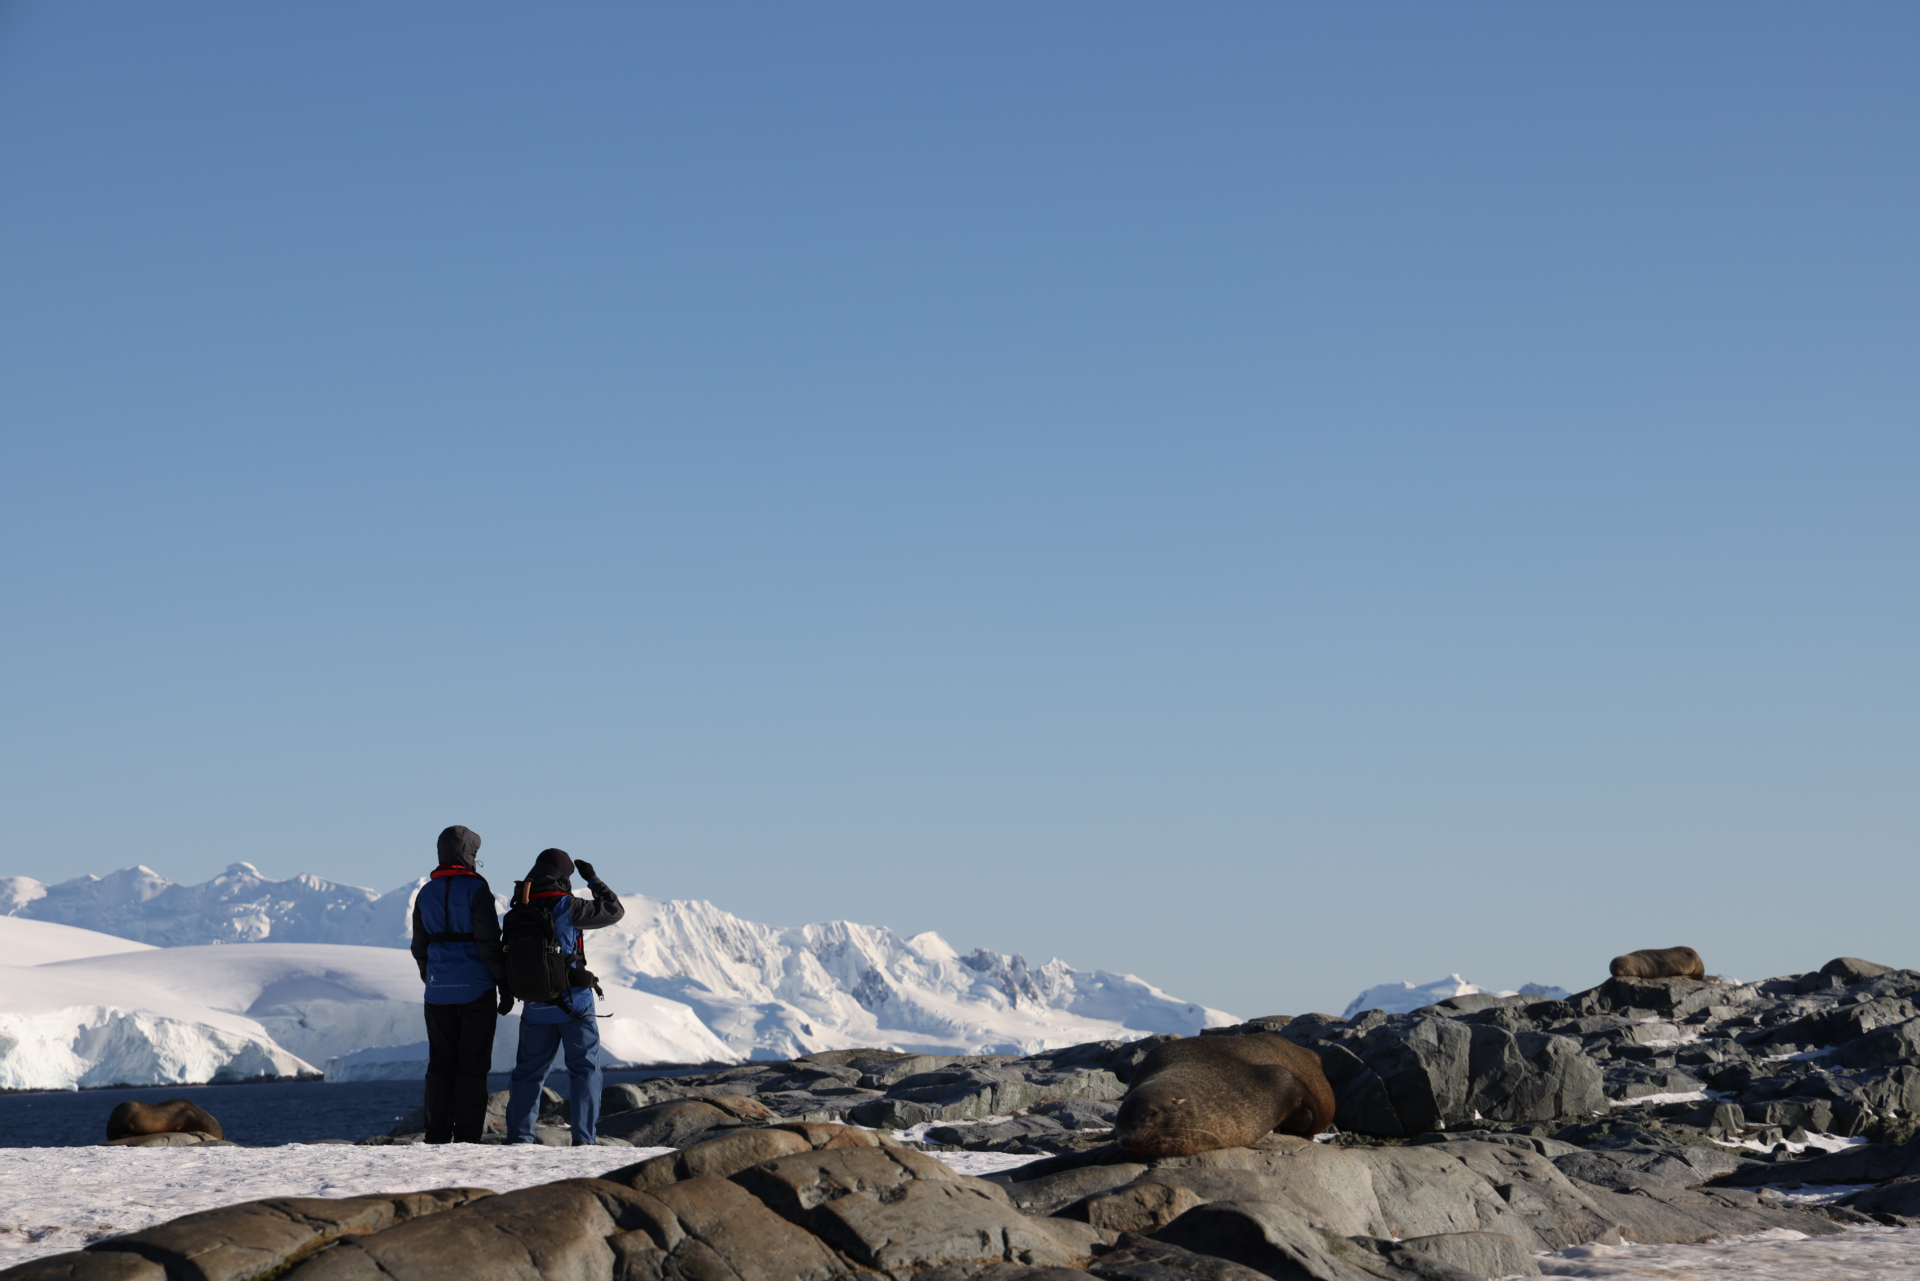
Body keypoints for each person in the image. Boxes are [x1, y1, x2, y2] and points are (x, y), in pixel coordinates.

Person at [504, 847, 624, 1145]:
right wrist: (593, 878)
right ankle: (583, 1139)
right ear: (564, 876)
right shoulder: (569, 906)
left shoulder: (519, 908)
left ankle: (520, 1139)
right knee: (584, 1070)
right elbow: (614, 910)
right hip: (573, 1003)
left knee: (528, 1074)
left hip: (534, 1005)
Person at [410, 824, 508, 1144]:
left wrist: (432, 978)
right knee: (472, 1067)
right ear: (469, 854)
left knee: (440, 1066)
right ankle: (467, 1138)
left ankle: (436, 1135)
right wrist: (503, 984)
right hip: (476, 990)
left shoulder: (425, 892)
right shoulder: (477, 889)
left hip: (437, 992)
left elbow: (419, 946)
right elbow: (489, 943)